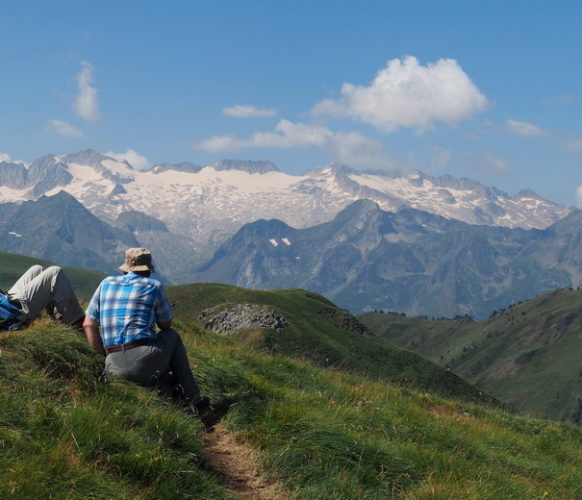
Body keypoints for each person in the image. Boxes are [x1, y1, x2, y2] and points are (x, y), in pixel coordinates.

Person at [82, 248, 216, 425]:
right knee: (172, 336)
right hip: (145, 358)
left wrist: (104, 359)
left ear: (127, 267)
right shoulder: (154, 286)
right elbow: (165, 325)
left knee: (154, 377)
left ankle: (165, 394)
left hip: (113, 365)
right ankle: (194, 400)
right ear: (147, 270)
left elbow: (88, 324)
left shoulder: (105, 283)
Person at [0, 265, 84, 330]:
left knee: (37, 269)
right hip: (12, 311)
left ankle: (58, 315)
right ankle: (76, 323)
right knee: (55, 272)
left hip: (5, 300)